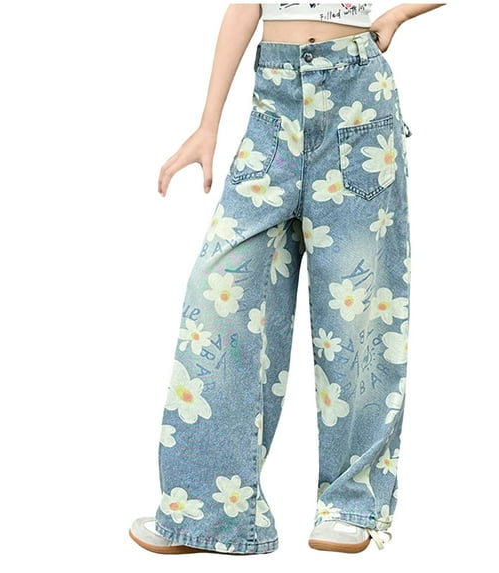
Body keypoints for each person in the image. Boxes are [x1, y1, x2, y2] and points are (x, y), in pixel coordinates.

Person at [129, 2, 446, 556]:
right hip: (272, 106)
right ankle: (213, 512)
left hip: (357, 102)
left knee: (358, 308)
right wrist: (208, 124)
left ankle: (351, 504)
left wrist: (399, 14)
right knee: (220, 296)